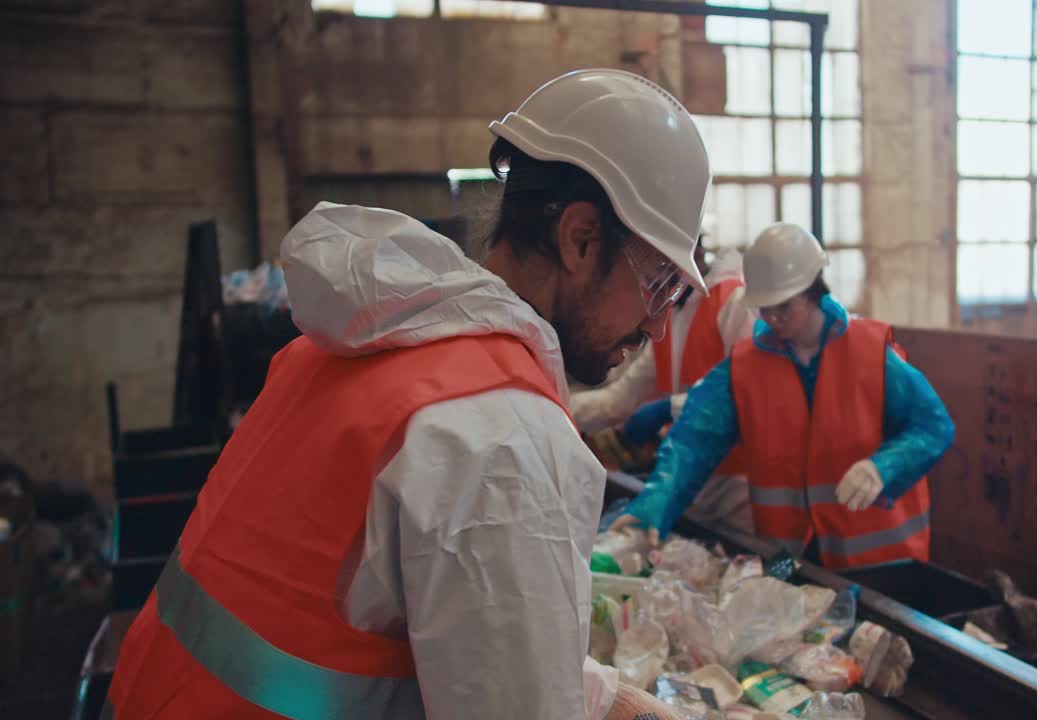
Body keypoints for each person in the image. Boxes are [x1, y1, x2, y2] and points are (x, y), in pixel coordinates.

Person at [105, 69, 711, 720]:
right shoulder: (503, 437)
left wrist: (613, 701)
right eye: (657, 285)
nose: (656, 325)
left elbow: (449, 638)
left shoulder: (356, 347)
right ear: (580, 237)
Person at [611, 223, 955, 570]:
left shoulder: (871, 354)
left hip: (881, 561)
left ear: (813, 291)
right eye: (764, 308)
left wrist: (882, 467)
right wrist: (655, 505)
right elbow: (693, 440)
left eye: (784, 307)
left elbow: (932, 426)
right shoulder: (746, 368)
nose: (772, 318)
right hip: (793, 562)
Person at [572, 237, 756, 530]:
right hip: (684, 481)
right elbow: (619, 399)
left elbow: (747, 394)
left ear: (694, 253)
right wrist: (558, 407)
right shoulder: (670, 317)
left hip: (739, 489)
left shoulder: (733, 303)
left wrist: (669, 408)